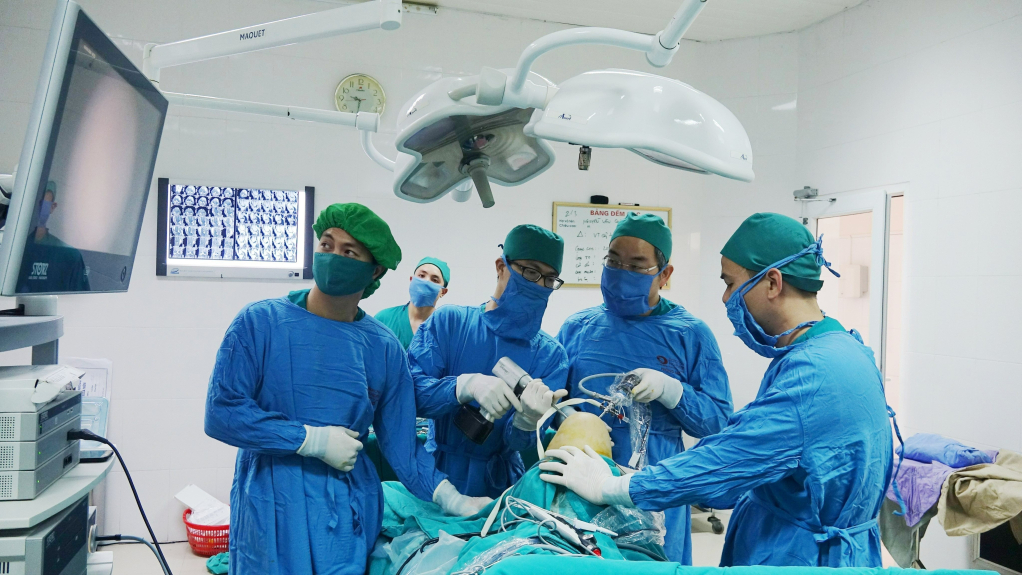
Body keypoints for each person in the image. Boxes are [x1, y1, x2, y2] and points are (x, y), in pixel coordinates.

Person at [540, 212, 894, 568]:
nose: (727, 298)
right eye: (614, 262)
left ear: (772, 283)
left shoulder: (816, 375)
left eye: (730, 283)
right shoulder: (836, 350)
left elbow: (728, 459)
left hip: (801, 555)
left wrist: (615, 487)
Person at [205, 203, 489, 575]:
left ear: (373, 271)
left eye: (348, 252)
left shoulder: (383, 347)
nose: (332, 257)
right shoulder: (260, 322)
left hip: (345, 507)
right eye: (326, 245)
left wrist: (452, 498)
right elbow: (222, 414)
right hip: (273, 500)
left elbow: (402, 445)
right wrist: (310, 440)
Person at [556, 212, 733, 564]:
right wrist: (562, 415)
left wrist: (673, 392)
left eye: (637, 266)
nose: (622, 273)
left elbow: (717, 423)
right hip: (583, 478)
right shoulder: (577, 328)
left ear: (664, 274)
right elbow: (554, 401)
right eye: (614, 261)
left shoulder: (689, 335)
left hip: (658, 484)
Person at [409, 224, 570, 499]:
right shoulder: (451, 324)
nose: (539, 286)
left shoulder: (551, 356)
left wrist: (527, 421)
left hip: (500, 487)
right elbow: (413, 395)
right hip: (436, 478)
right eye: (530, 272)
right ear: (501, 266)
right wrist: (462, 386)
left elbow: (519, 443)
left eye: (549, 279)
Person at [375, 256, 450, 349]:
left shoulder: (446, 329)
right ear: (412, 280)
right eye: (421, 276)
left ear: (443, 292)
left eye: (434, 280)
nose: (426, 282)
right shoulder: (384, 319)